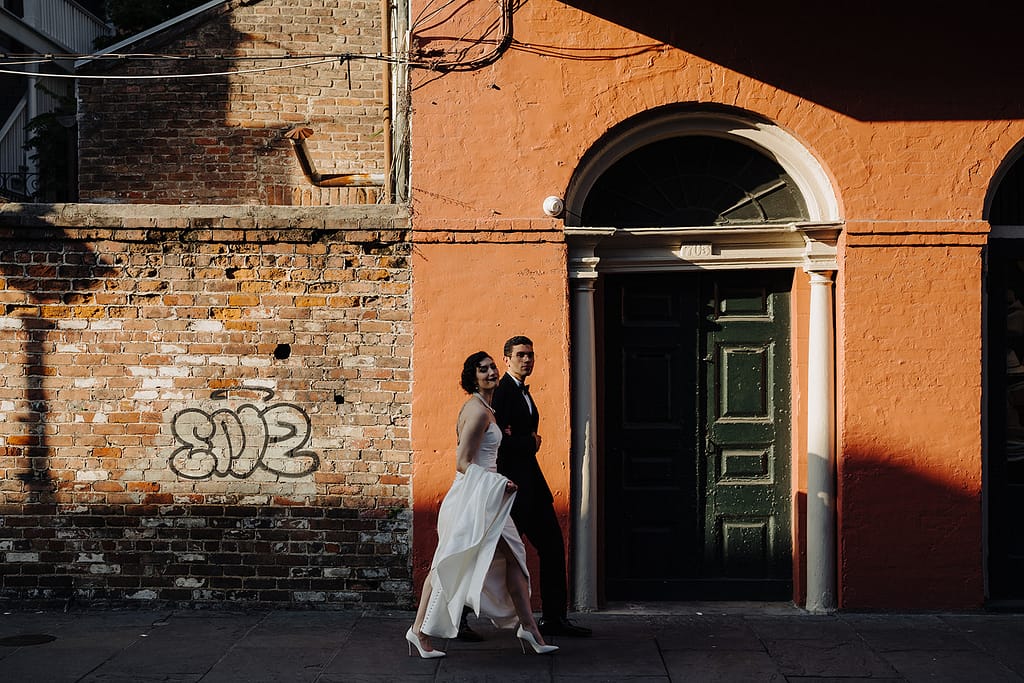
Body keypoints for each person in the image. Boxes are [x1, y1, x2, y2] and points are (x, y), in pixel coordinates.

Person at [406, 351, 558, 658]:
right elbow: (462, 463)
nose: (491, 372)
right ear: (473, 377)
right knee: (445, 563)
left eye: (492, 367)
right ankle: (418, 631)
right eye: (483, 369)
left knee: (515, 559)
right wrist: (500, 483)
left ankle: (529, 628)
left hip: (488, 498)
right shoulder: (477, 411)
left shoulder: (488, 409)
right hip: (472, 498)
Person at [493, 335, 592, 638]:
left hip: (532, 488)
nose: (527, 360)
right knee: (490, 554)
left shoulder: (522, 391)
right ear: (506, 359)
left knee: (551, 547)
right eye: (520, 355)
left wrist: (523, 440)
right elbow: (497, 441)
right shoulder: (502, 393)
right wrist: (530, 442)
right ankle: (459, 618)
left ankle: (554, 618)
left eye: (530, 355)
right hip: (513, 489)